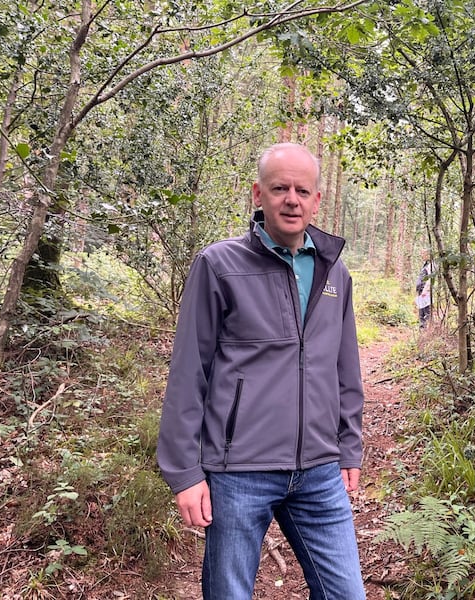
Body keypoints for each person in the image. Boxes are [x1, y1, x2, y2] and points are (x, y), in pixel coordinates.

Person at [156, 143, 366, 600]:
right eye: (279, 188)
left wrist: (349, 447)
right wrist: (185, 473)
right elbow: (189, 371)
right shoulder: (219, 265)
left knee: (345, 593)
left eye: (302, 190)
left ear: (316, 200)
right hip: (239, 471)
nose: (292, 199)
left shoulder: (336, 274)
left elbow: (345, 368)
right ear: (258, 194)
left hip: (319, 470)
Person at [415, 252, 434, 328]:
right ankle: (422, 328)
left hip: (425, 291)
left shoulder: (430, 265)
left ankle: (426, 329)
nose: (422, 255)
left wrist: (425, 290)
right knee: (421, 310)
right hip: (421, 291)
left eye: (424, 254)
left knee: (426, 311)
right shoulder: (425, 264)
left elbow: (430, 279)